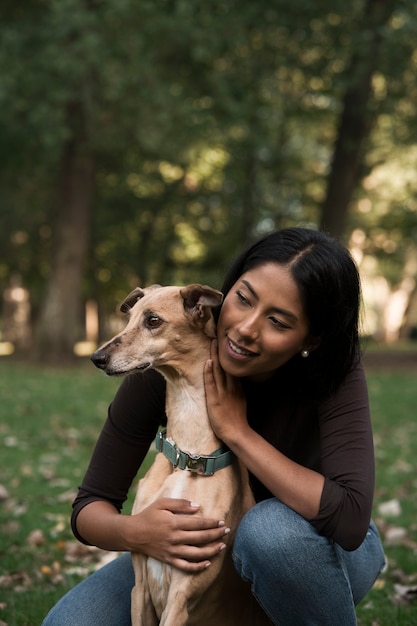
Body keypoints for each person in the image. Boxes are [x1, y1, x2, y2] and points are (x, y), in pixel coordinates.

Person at [42, 227, 386, 626]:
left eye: (277, 321)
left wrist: (237, 431)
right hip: (196, 544)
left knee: (267, 532)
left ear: (313, 339)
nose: (244, 328)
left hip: (309, 549)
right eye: (243, 299)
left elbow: (349, 519)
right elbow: (90, 505)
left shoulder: (334, 372)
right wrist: (140, 532)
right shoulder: (167, 354)